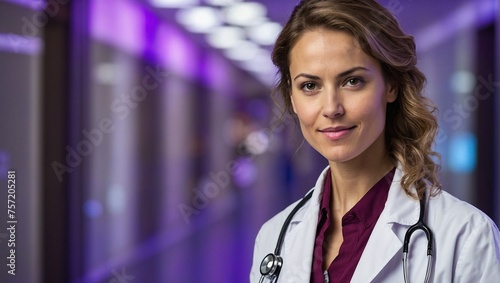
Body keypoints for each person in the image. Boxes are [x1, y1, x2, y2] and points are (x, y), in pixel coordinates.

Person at [250, 0, 500, 282]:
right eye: (310, 86)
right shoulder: (273, 239)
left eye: (352, 81)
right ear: (293, 99)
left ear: (390, 85)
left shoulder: (465, 236)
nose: (331, 108)